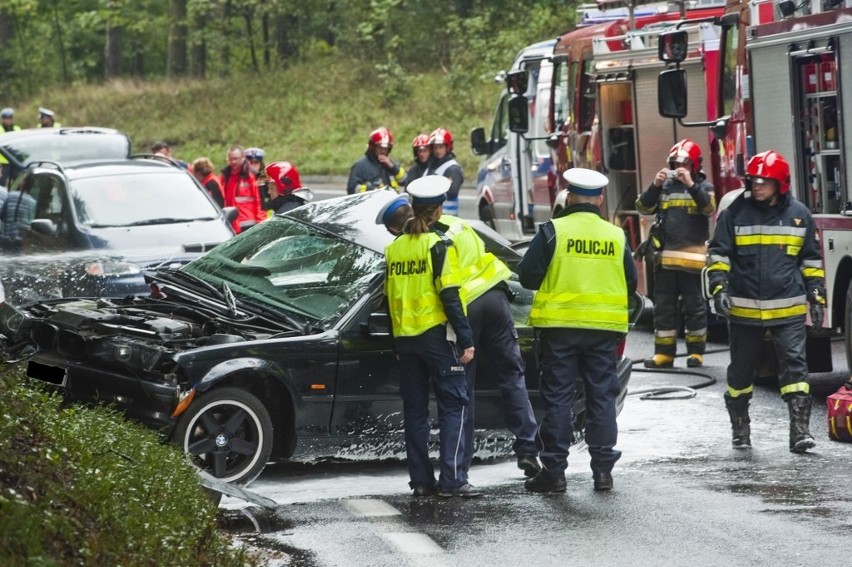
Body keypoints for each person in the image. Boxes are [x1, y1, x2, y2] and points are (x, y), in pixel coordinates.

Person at [518, 168, 637, 493]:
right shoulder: (616, 235)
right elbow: (631, 284)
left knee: (557, 398)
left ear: (568, 196)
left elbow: (527, 277)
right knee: (601, 397)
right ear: (600, 199)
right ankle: (602, 472)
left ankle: (554, 472)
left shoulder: (553, 231)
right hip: (602, 331)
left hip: (560, 331)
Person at [706, 150, 823, 453]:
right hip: (744, 309)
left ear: (780, 184)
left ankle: (800, 432)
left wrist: (817, 295)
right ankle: (740, 430)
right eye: (753, 181)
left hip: (789, 307)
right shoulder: (734, 213)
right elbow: (718, 255)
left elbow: (810, 259)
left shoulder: (800, 215)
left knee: (795, 370)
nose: (756, 187)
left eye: (764, 182)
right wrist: (718, 289)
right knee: (741, 373)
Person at [384, 175, 479, 498]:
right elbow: (450, 296)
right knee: (455, 404)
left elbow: (389, 298)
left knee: (415, 412)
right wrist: (466, 339)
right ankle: (452, 481)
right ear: (438, 210)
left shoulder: (394, 249)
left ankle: (421, 482)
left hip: (406, 340)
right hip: (436, 338)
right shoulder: (439, 245)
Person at [636, 139, 715, 368]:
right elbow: (643, 207)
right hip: (666, 262)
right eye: (674, 164)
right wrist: (655, 185)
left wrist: (691, 184)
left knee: (694, 309)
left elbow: (709, 209)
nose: (678, 169)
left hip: (692, 263)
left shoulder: (703, 187)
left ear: (695, 165)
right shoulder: (665, 188)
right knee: (663, 309)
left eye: (684, 164)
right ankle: (664, 354)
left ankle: (695, 353)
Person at [219, 145, 266, 233]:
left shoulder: (251, 175)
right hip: (231, 223)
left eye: (236, 158)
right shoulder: (225, 176)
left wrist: (261, 223)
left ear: (243, 157)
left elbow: (259, 200)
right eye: (230, 159)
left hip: (248, 223)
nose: (233, 161)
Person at [347, 127, 406, 194]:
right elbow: (352, 189)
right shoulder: (360, 166)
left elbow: (404, 181)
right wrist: (373, 190)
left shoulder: (391, 164)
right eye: (380, 147)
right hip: (372, 203)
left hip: (392, 202)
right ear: (372, 147)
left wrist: (393, 168)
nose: (383, 151)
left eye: (386, 148)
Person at [426, 127, 463, 216]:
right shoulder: (432, 166)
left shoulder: (453, 169)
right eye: (435, 148)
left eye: (440, 147)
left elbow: (452, 193)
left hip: (447, 217)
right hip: (433, 215)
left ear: (447, 147)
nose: (437, 151)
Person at [0, 177, 37, 252]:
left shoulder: (10, 195)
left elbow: (2, 215)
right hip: (21, 241)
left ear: (23, 183)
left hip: (6, 237)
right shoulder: (33, 203)